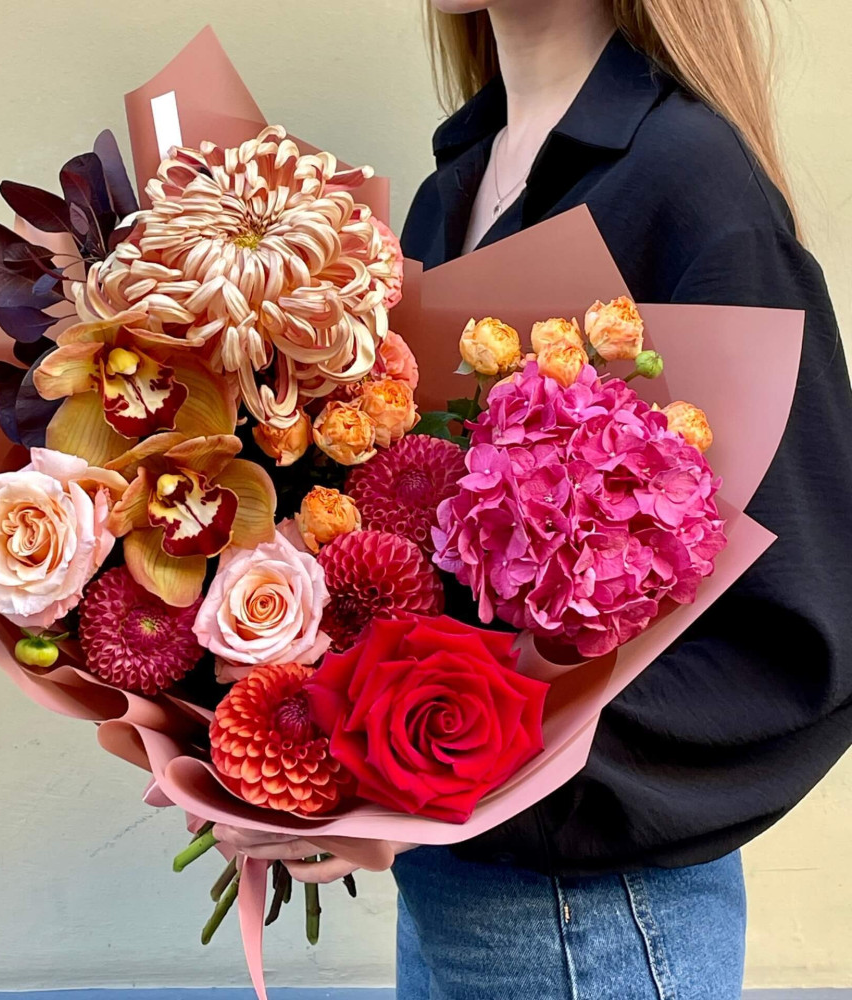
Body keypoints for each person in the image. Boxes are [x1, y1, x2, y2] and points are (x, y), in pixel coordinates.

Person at [216, 2, 852, 997]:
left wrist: (457, 772)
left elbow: (796, 638)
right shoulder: (453, 189)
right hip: (451, 896)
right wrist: (302, 743)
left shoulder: (690, 181)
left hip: (598, 914)